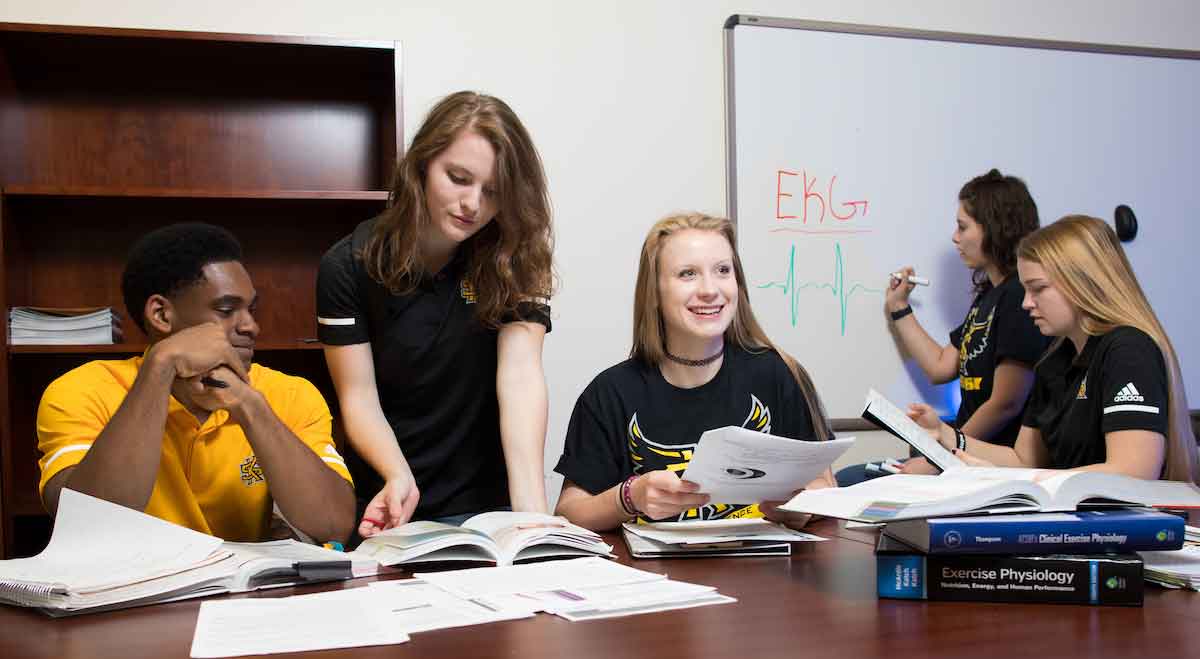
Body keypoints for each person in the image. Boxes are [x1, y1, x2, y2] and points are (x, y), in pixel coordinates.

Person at [317, 91, 553, 536]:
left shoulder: (516, 257)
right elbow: (359, 399)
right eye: (458, 178)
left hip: (487, 512)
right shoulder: (348, 264)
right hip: (391, 506)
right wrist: (397, 477)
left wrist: (534, 518)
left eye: (493, 192)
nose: (473, 204)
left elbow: (521, 379)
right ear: (422, 164)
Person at [36, 223, 356, 543]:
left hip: (242, 590)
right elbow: (89, 525)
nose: (251, 326)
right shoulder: (81, 390)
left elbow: (333, 524)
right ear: (161, 315)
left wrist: (249, 405)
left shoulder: (291, 394)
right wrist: (160, 367)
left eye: (251, 309)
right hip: (131, 589)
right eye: (226, 309)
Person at [554, 212, 835, 531]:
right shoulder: (608, 393)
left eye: (722, 271)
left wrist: (801, 508)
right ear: (654, 293)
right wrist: (630, 497)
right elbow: (569, 514)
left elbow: (824, 486)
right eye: (687, 274)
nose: (710, 290)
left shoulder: (778, 373)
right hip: (653, 576)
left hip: (765, 571)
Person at [909, 214, 1199, 484]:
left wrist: (1018, 481)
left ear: (1082, 282)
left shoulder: (1127, 350)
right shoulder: (1055, 360)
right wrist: (946, 435)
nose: (1026, 303)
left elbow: (1134, 470)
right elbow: (1023, 460)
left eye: (1038, 289)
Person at [840, 169, 1049, 484]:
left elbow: (1006, 402)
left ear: (994, 229)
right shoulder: (988, 298)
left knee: (851, 480)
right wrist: (899, 307)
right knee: (850, 478)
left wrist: (944, 451)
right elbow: (941, 366)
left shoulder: (1019, 298)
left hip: (987, 462)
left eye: (963, 227)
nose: (955, 237)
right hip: (958, 453)